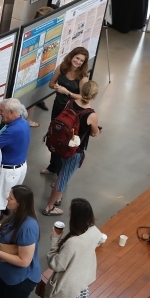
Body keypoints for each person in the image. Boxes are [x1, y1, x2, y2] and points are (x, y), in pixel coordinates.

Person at [25, 198, 102, 298]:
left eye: (71, 211)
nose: (68, 212)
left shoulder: (73, 242)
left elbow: (56, 264)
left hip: (64, 286)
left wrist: (54, 241)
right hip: (80, 283)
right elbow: (98, 241)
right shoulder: (94, 231)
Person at [42, 81, 100, 216]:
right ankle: (49, 207)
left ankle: (58, 196)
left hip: (62, 143)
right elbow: (94, 132)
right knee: (63, 177)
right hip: (75, 150)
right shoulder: (91, 115)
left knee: (62, 170)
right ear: (94, 96)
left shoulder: (70, 103)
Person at [42, 47, 90, 175]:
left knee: (66, 140)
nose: (78, 62)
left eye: (81, 60)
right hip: (58, 107)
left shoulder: (83, 77)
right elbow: (51, 84)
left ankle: (61, 173)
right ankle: (53, 166)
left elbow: (84, 97)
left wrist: (67, 92)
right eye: (77, 58)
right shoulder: (62, 67)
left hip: (72, 112)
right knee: (54, 135)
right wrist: (57, 87)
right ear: (72, 56)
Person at [0, 99, 31, 224]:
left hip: (7, 172)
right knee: (11, 197)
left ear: (11, 112)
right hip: (20, 167)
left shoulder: (12, 131)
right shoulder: (23, 123)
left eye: (2, 111)